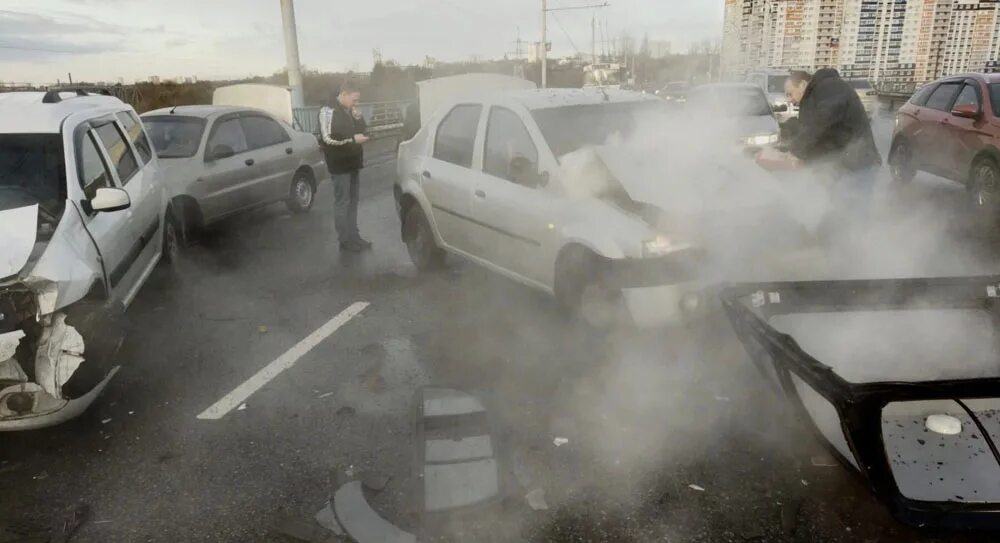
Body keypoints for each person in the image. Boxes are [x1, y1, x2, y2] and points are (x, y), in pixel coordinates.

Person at [777, 69, 882, 208]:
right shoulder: (813, 96)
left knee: (854, 212)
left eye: (789, 94)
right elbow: (809, 128)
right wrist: (784, 136)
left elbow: (822, 121)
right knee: (837, 210)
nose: (789, 100)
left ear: (802, 84)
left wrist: (795, 150)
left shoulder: (830, 87)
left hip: (858, 164)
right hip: (841, 165)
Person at [320, 81, 371, 252]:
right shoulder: (327, 110)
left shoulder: (349, 110)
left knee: (353, 201)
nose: (356, 104)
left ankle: (354, 236)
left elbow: (363, 129)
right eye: (354, 100)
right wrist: (351, 140)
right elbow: (327, 139)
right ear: (343, 94)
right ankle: (344, 240)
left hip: (354, 161)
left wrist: (358, 117)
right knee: (343, 202)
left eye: (358, 101)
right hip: (339, 163)